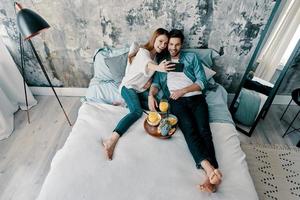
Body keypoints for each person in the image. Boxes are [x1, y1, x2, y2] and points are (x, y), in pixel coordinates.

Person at [148, 29, 222, 193]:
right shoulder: (163, 61)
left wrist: (184, 90)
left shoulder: (191, 58)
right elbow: (156, 83)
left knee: (204, 131)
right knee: (190, 131)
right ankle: (211, 172)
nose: (173, 47)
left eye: (177, 44)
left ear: (182, 44)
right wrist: (150, 96)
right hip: (176, 101)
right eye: (171, 44)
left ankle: (211, 175)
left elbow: (202, 80)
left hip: (196, 97)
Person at [102, 28, 175, 160]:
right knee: (136, 112)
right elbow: (148, 65)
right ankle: (111, 139)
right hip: (127, 87)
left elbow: (149, 72)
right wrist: (159, 68)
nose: (162, 45)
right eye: (160, 41)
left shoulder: (156, 58)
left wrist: (150, 84)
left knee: (156, 107)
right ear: (154, 39)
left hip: (139, 90)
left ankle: (126, 103)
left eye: (165, 43)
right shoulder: (143, 52)